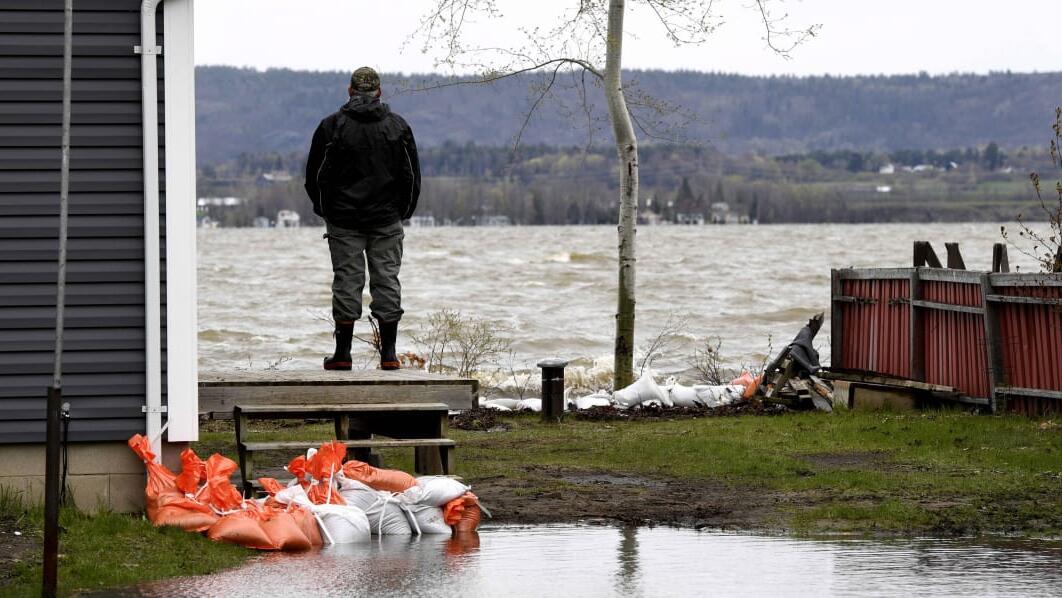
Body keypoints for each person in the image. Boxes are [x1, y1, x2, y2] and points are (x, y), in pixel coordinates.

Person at [304, 66, 421, 370]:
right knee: (387, 282)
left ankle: (343, 355)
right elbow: (411, 176)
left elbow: (313, 176)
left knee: (347, 282)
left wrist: (323, 209)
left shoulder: (331, 126)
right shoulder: (398, 126)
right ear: (379, 92)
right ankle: (389, 355)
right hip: (386, 219)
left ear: (350, 91)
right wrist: (404, 211)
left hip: (343, 220)